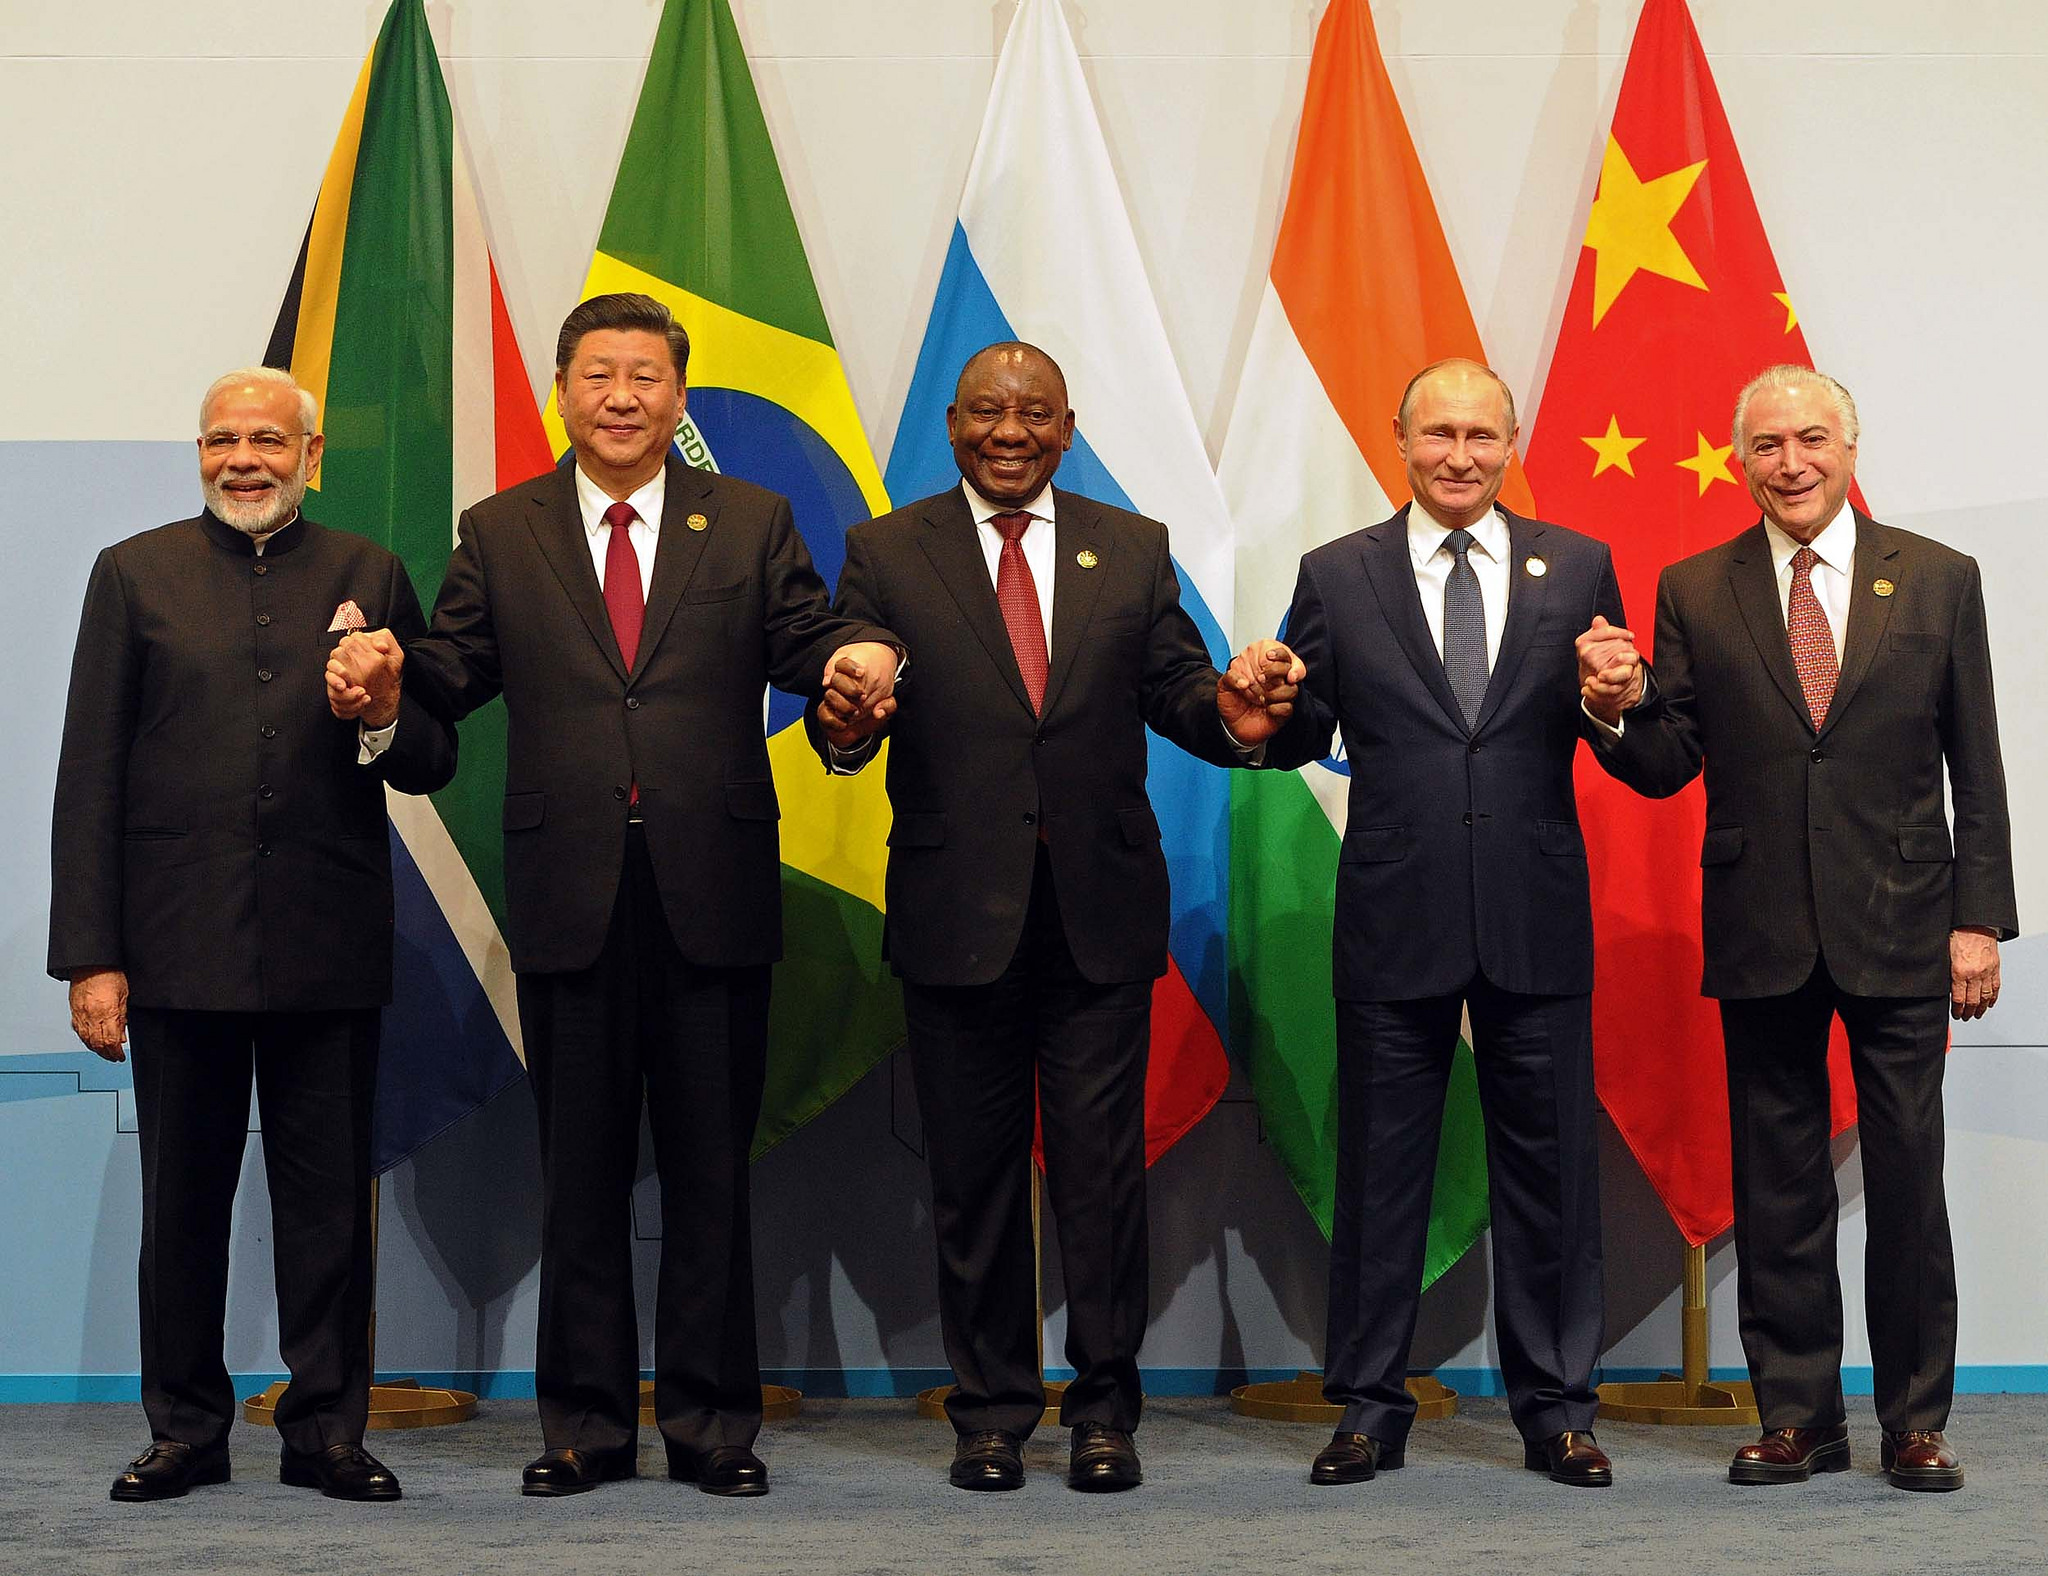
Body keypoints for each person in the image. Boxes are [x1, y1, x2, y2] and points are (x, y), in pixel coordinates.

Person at [328, 292, 899, 1499]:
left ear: (677, 397)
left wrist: (852, 662)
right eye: (600, 375)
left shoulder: (748, 520)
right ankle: (583, 1428)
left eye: (646, 375)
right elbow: (449, 678)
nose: (624, 396)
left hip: (715, 890)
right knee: (578, 1176)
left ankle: (710, 1429)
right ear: (564, 391)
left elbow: (809, 640)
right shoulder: (503, 528)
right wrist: (386, 689)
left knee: (709, 1173)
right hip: (567, 893)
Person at [811, 341, 1300, 1494]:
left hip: (1096, 915)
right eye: (987, 410)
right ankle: (987, 1413)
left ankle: (1104, 1413)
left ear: (1066, 425)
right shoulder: (886, 551)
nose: (1010, 429)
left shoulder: (1127, 548)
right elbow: (850, 701)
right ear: (951, 423)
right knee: (972, 1180)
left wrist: (1231, 713)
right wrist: (846, 713)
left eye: (1033, 411)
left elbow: (1180, 692)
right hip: (953, 915)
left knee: (1098, 1178)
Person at [1583, 365, 2015, 1492]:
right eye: (1767, 445)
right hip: (1761, 922)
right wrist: (1615, 708)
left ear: (1849, 446)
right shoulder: (1692, 586)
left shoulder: (1935, 577)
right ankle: (1796, 1416)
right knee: (1776, 1187)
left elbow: (1976, 758)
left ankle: (1914, 1420)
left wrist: (1978, 920)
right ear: (1740, 461)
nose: (1790, 462)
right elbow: (1669, 759)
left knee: (1909, 1185)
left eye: (1810, 439)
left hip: (1906, 923)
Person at [49, 367, 456, 1504]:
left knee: (328, 1210)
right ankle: (184, 1428)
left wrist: (380, 709)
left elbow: (433, 754)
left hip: (329, 943)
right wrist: (93, 953)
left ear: (311, 456)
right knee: (181, 1208)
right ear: (199, 454)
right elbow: (90, 777)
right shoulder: (134, 573)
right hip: (177, 947)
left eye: (268, 441)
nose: (244, 459)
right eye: (222, 440)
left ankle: (326, 1429)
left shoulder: (367, 571)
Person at [1251, 358, 1627, 1489]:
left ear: (1510, 442)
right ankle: (1369, 1406)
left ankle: (1556, 1409)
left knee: (1553, 1175)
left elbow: (1615, 709)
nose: (1458, 454)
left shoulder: (1579, 567)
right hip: (1392, 912)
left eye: (1480, 434)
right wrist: (1266, 702)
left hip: (1533, 913)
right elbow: (1291, 727)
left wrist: (1618, 703)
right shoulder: (1336, 571)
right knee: (1379, 1174)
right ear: (1399, 440)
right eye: (1437, 434)